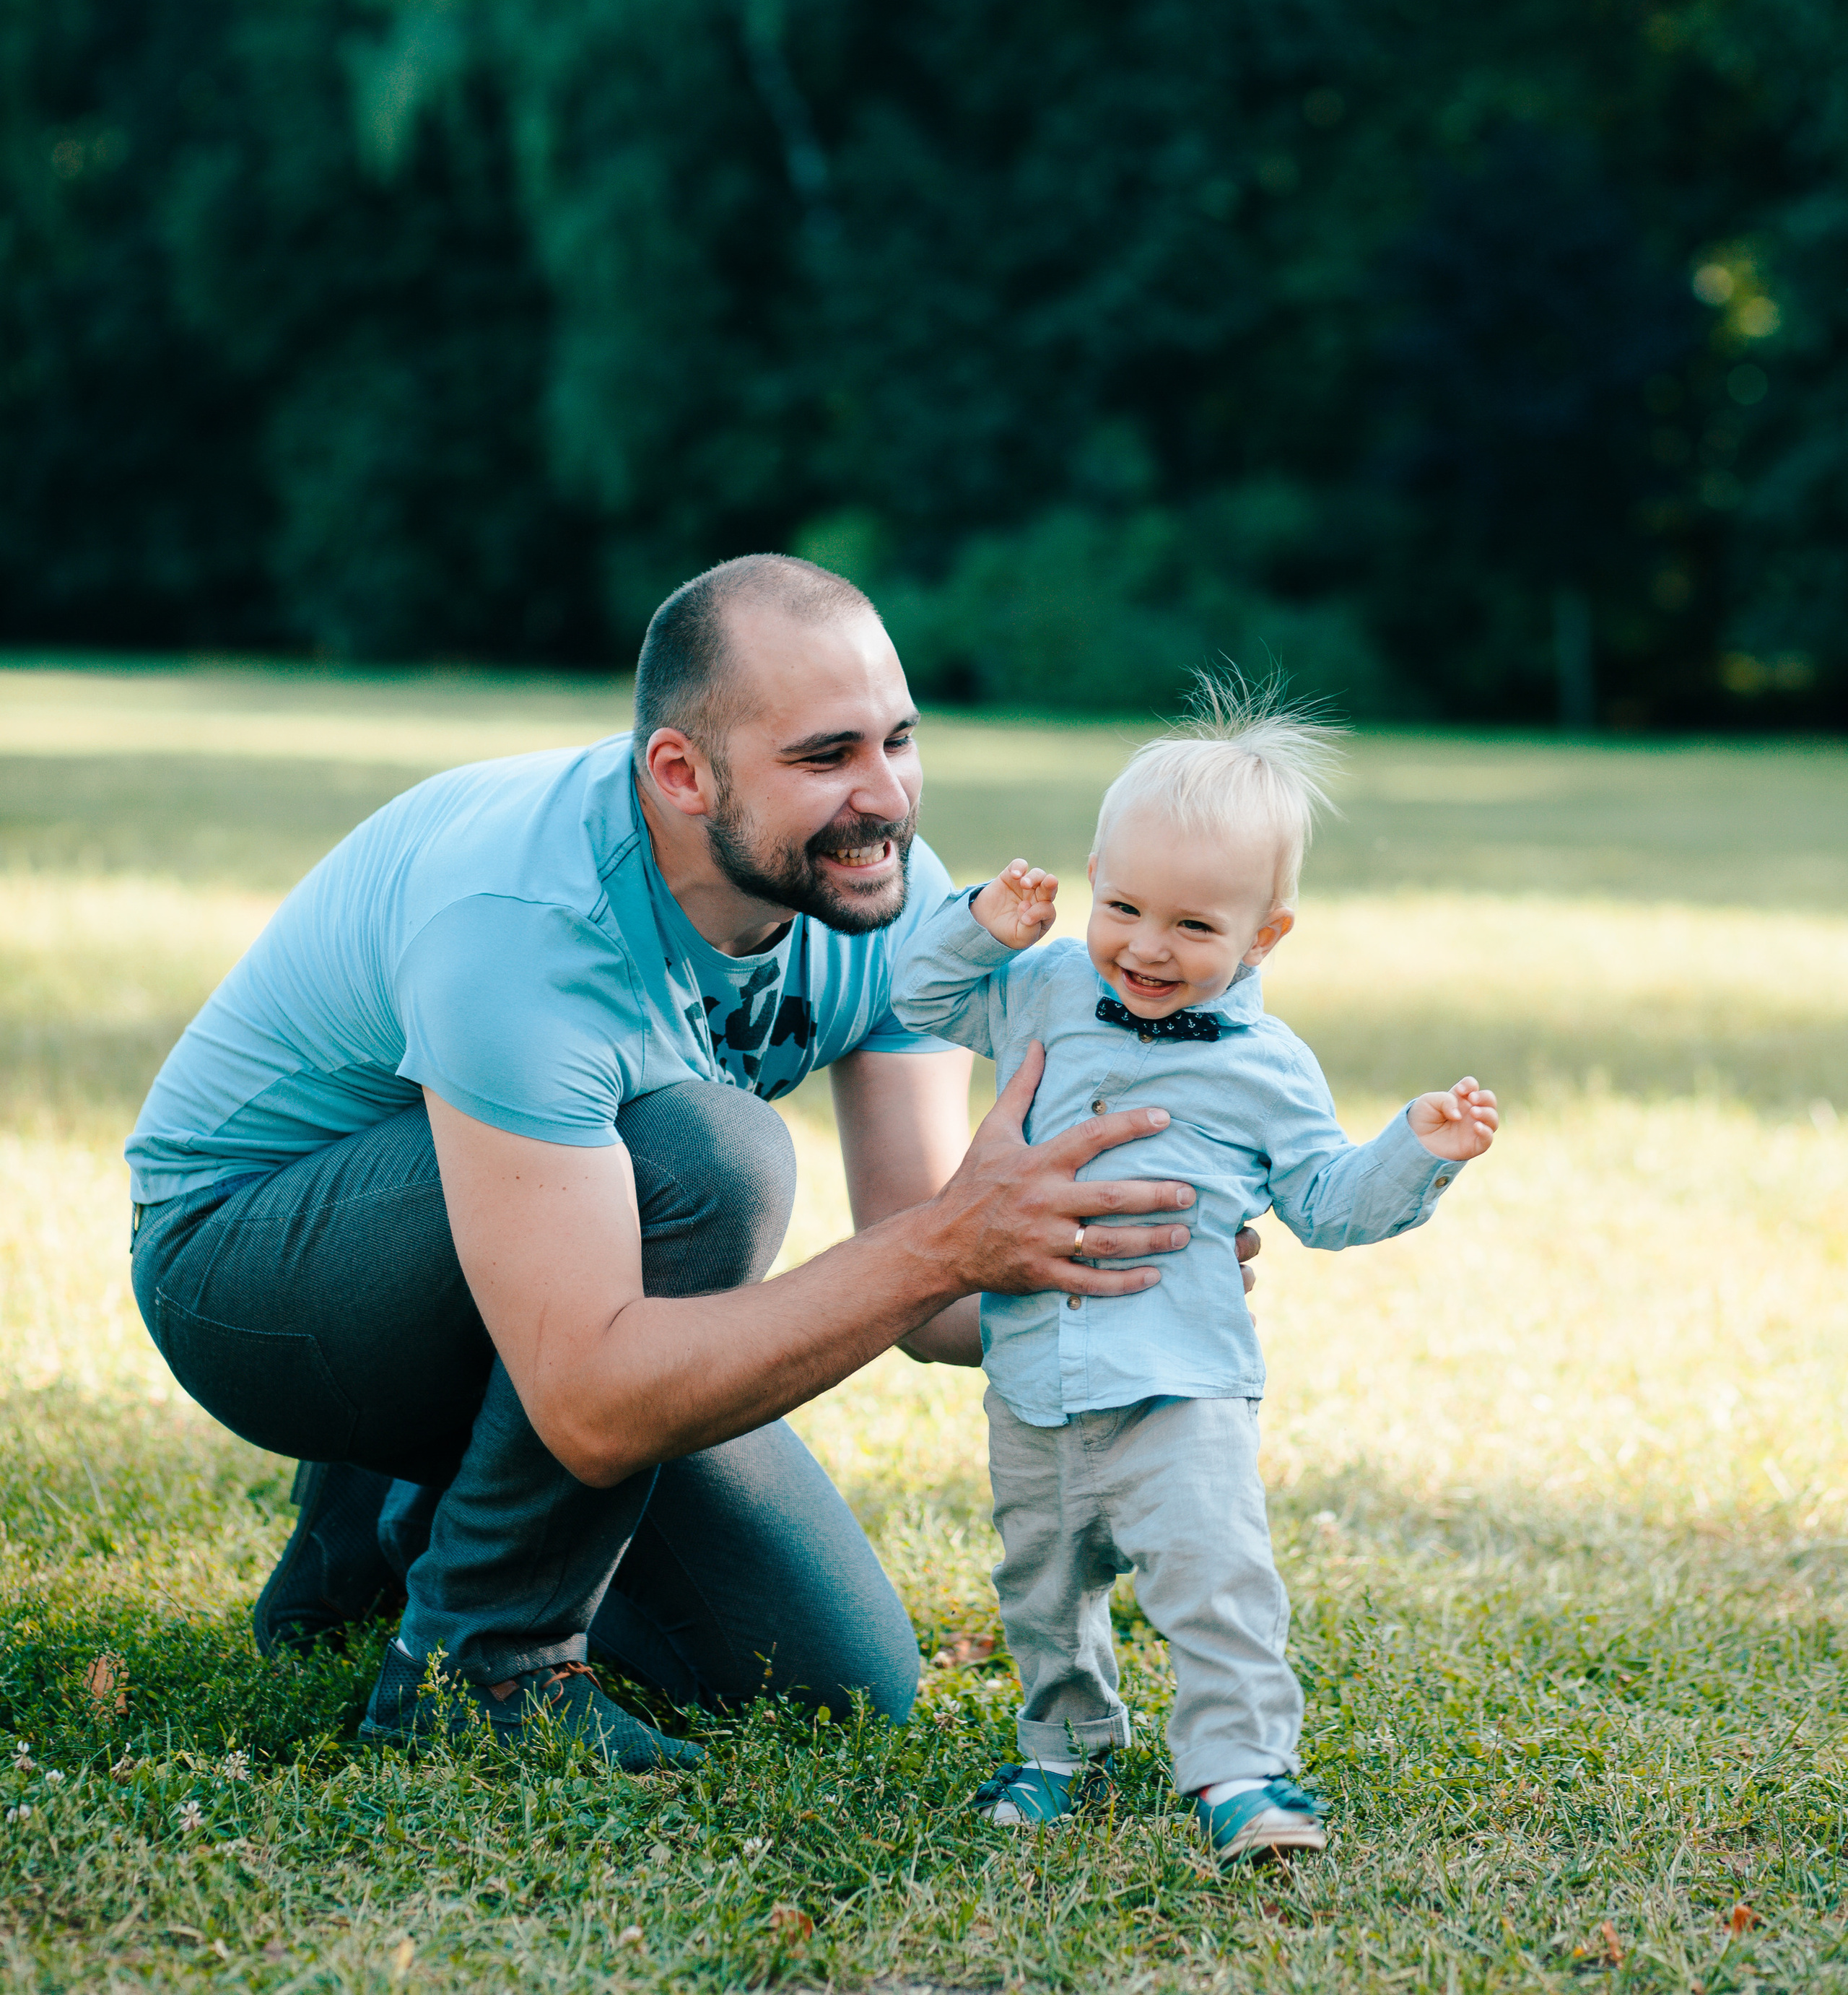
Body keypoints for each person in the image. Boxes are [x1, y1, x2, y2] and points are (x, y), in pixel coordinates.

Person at [126, 555, 1229, 1768]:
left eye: (897, 741)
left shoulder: (888, 900)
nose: (885, 799)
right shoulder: (527, 921)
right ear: (680, 772)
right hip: (251, 1278)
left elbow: (930, 1287)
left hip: (497, 1261)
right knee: (709, 1158)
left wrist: (1109, 1257)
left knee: (835, 1682)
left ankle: (371, 1537)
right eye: (825, 758)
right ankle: (482, 1676)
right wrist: (948, 1242)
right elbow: (597, 1410)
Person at [887, 674, 1498, 1866]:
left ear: (1266, 936)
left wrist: (1413, 1151)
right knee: (1041, 1584)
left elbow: (1322, 1205)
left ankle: (1242, 1775)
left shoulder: (1268, 1066)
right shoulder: (1046, 986)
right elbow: (917, 994)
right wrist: (983, 927)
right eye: (1122, 905)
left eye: (1196, 928)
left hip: (1183, 1383)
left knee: (1216, 1583)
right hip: (1033, 1376)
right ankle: (1063, 1745)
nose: (1146, 949)